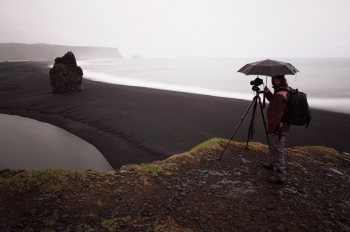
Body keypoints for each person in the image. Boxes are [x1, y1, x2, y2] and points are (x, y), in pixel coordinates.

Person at [263, 75, 290, 184]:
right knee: (275, 148)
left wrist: (271, 128)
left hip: (279, 127)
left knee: (277, 150)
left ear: (277, 79)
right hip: (283, 125)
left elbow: (276, 114)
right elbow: (275, 103)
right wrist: (268, 94)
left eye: (273, 78)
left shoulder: (280, 94)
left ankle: (280, 176)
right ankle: (274, 165)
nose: (271, 80)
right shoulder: (284, 90)